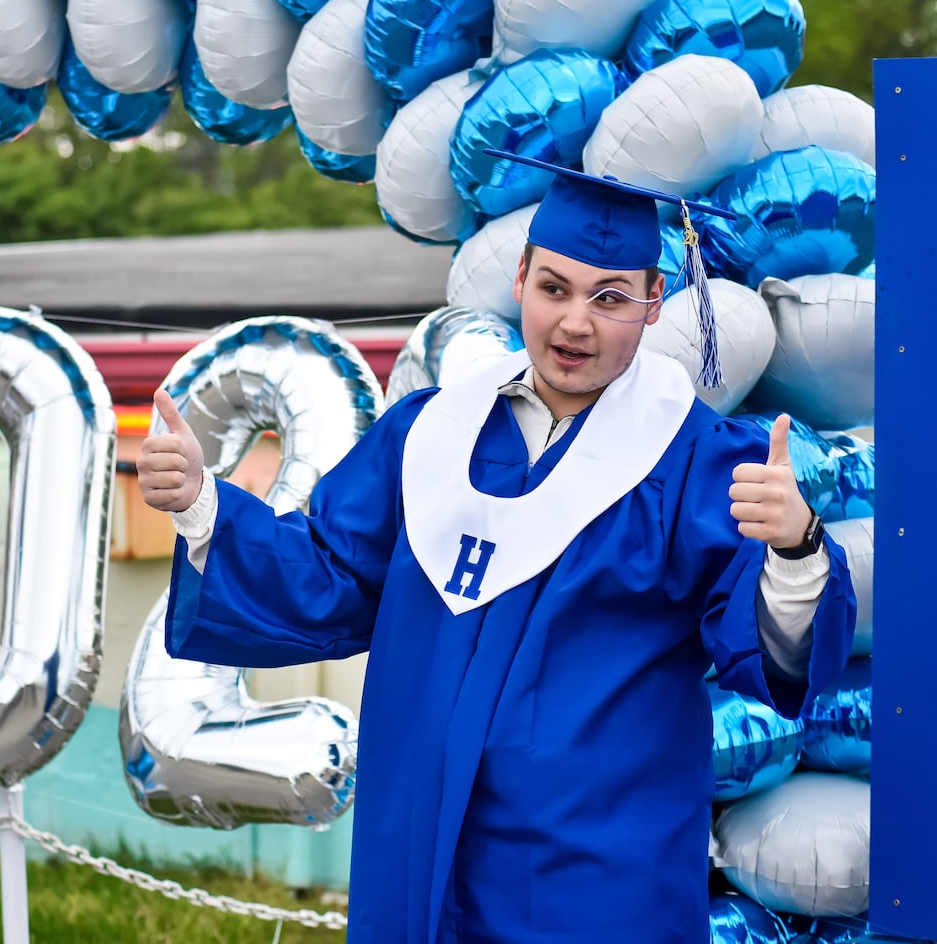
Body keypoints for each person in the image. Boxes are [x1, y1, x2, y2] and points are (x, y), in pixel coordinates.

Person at [135, 151, 857, 944]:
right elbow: (331, 578)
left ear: (655, 302)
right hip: (419, 840)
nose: (574, 322)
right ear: (520, 279)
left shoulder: (692, 462)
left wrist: (794, 547)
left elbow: (775, 662)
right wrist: (206, 506)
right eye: (554, 288)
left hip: (591, 869)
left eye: (608, 297)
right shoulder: (428, 434)